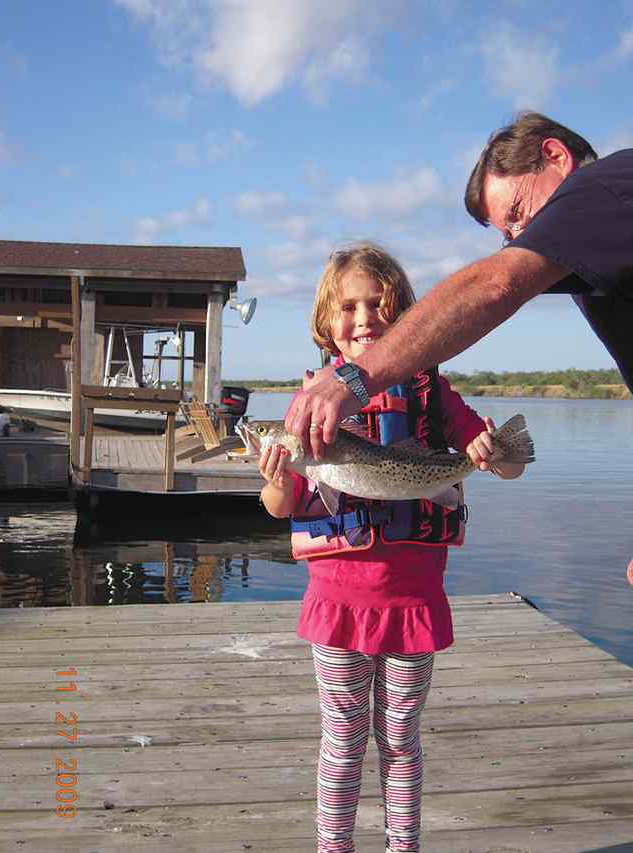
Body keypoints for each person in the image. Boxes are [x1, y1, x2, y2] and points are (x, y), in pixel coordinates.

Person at [257, 243, 525, 853]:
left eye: (378, 305)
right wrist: (275, 474)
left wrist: (488, 453)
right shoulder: (306, 409)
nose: (364, 318)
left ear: (405, 317)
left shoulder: (435, 396)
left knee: (401, 735)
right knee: (342, 738)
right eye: (348, 307)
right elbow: (283, 505)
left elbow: (509, 468)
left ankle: (404, 847)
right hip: (337, 606)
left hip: (413, 603)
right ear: (327, 324)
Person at [284, 112, 633, 461]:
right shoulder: (589, 257)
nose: (518, 240)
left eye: (516, 212)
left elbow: (495, 284)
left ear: (556, 156)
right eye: (507, 235)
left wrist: (353, 379)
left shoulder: (600, 188)